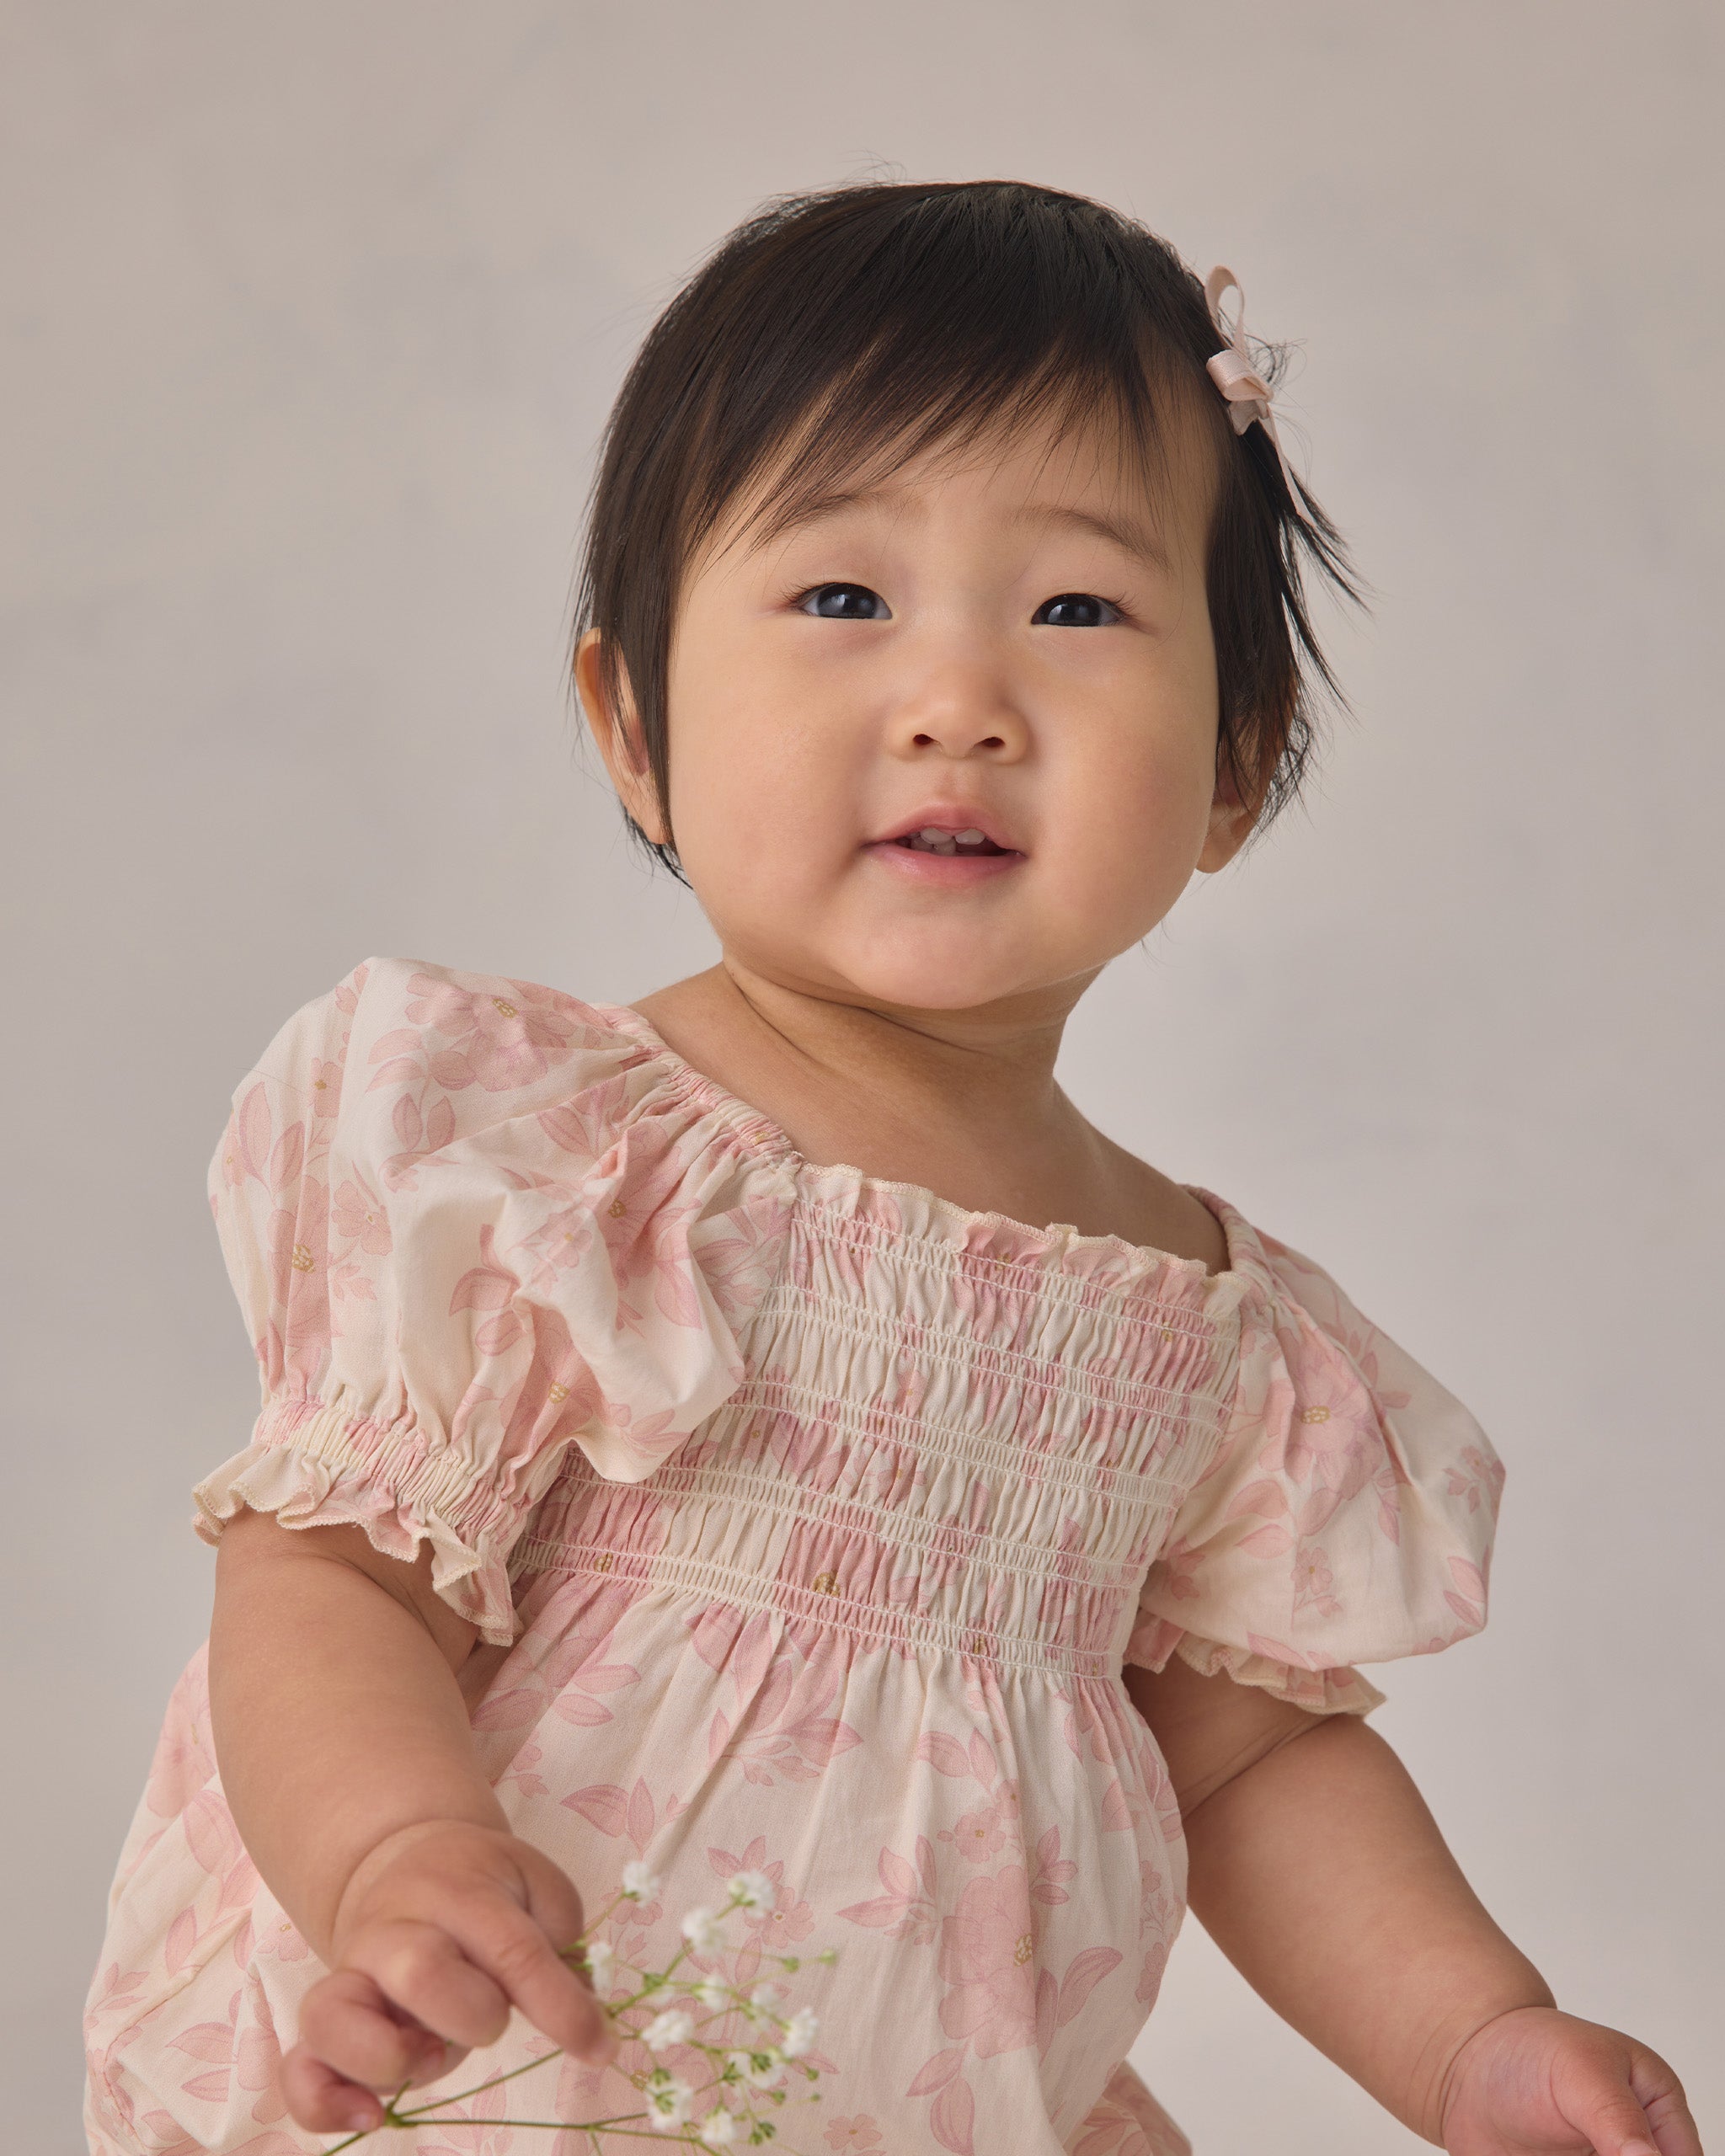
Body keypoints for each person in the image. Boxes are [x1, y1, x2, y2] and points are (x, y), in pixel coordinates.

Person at [83, 179, 1701, 2156]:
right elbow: (336, 1560)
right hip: (521, 2058)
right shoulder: (564, 1161)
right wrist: (391, 1850)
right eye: (844, 598)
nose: (958, 705)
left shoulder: (1211, 1321)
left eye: (1077, 608)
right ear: (633, 723)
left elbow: (1249, 1762)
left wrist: (1469, 2037)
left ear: (1233, 761)